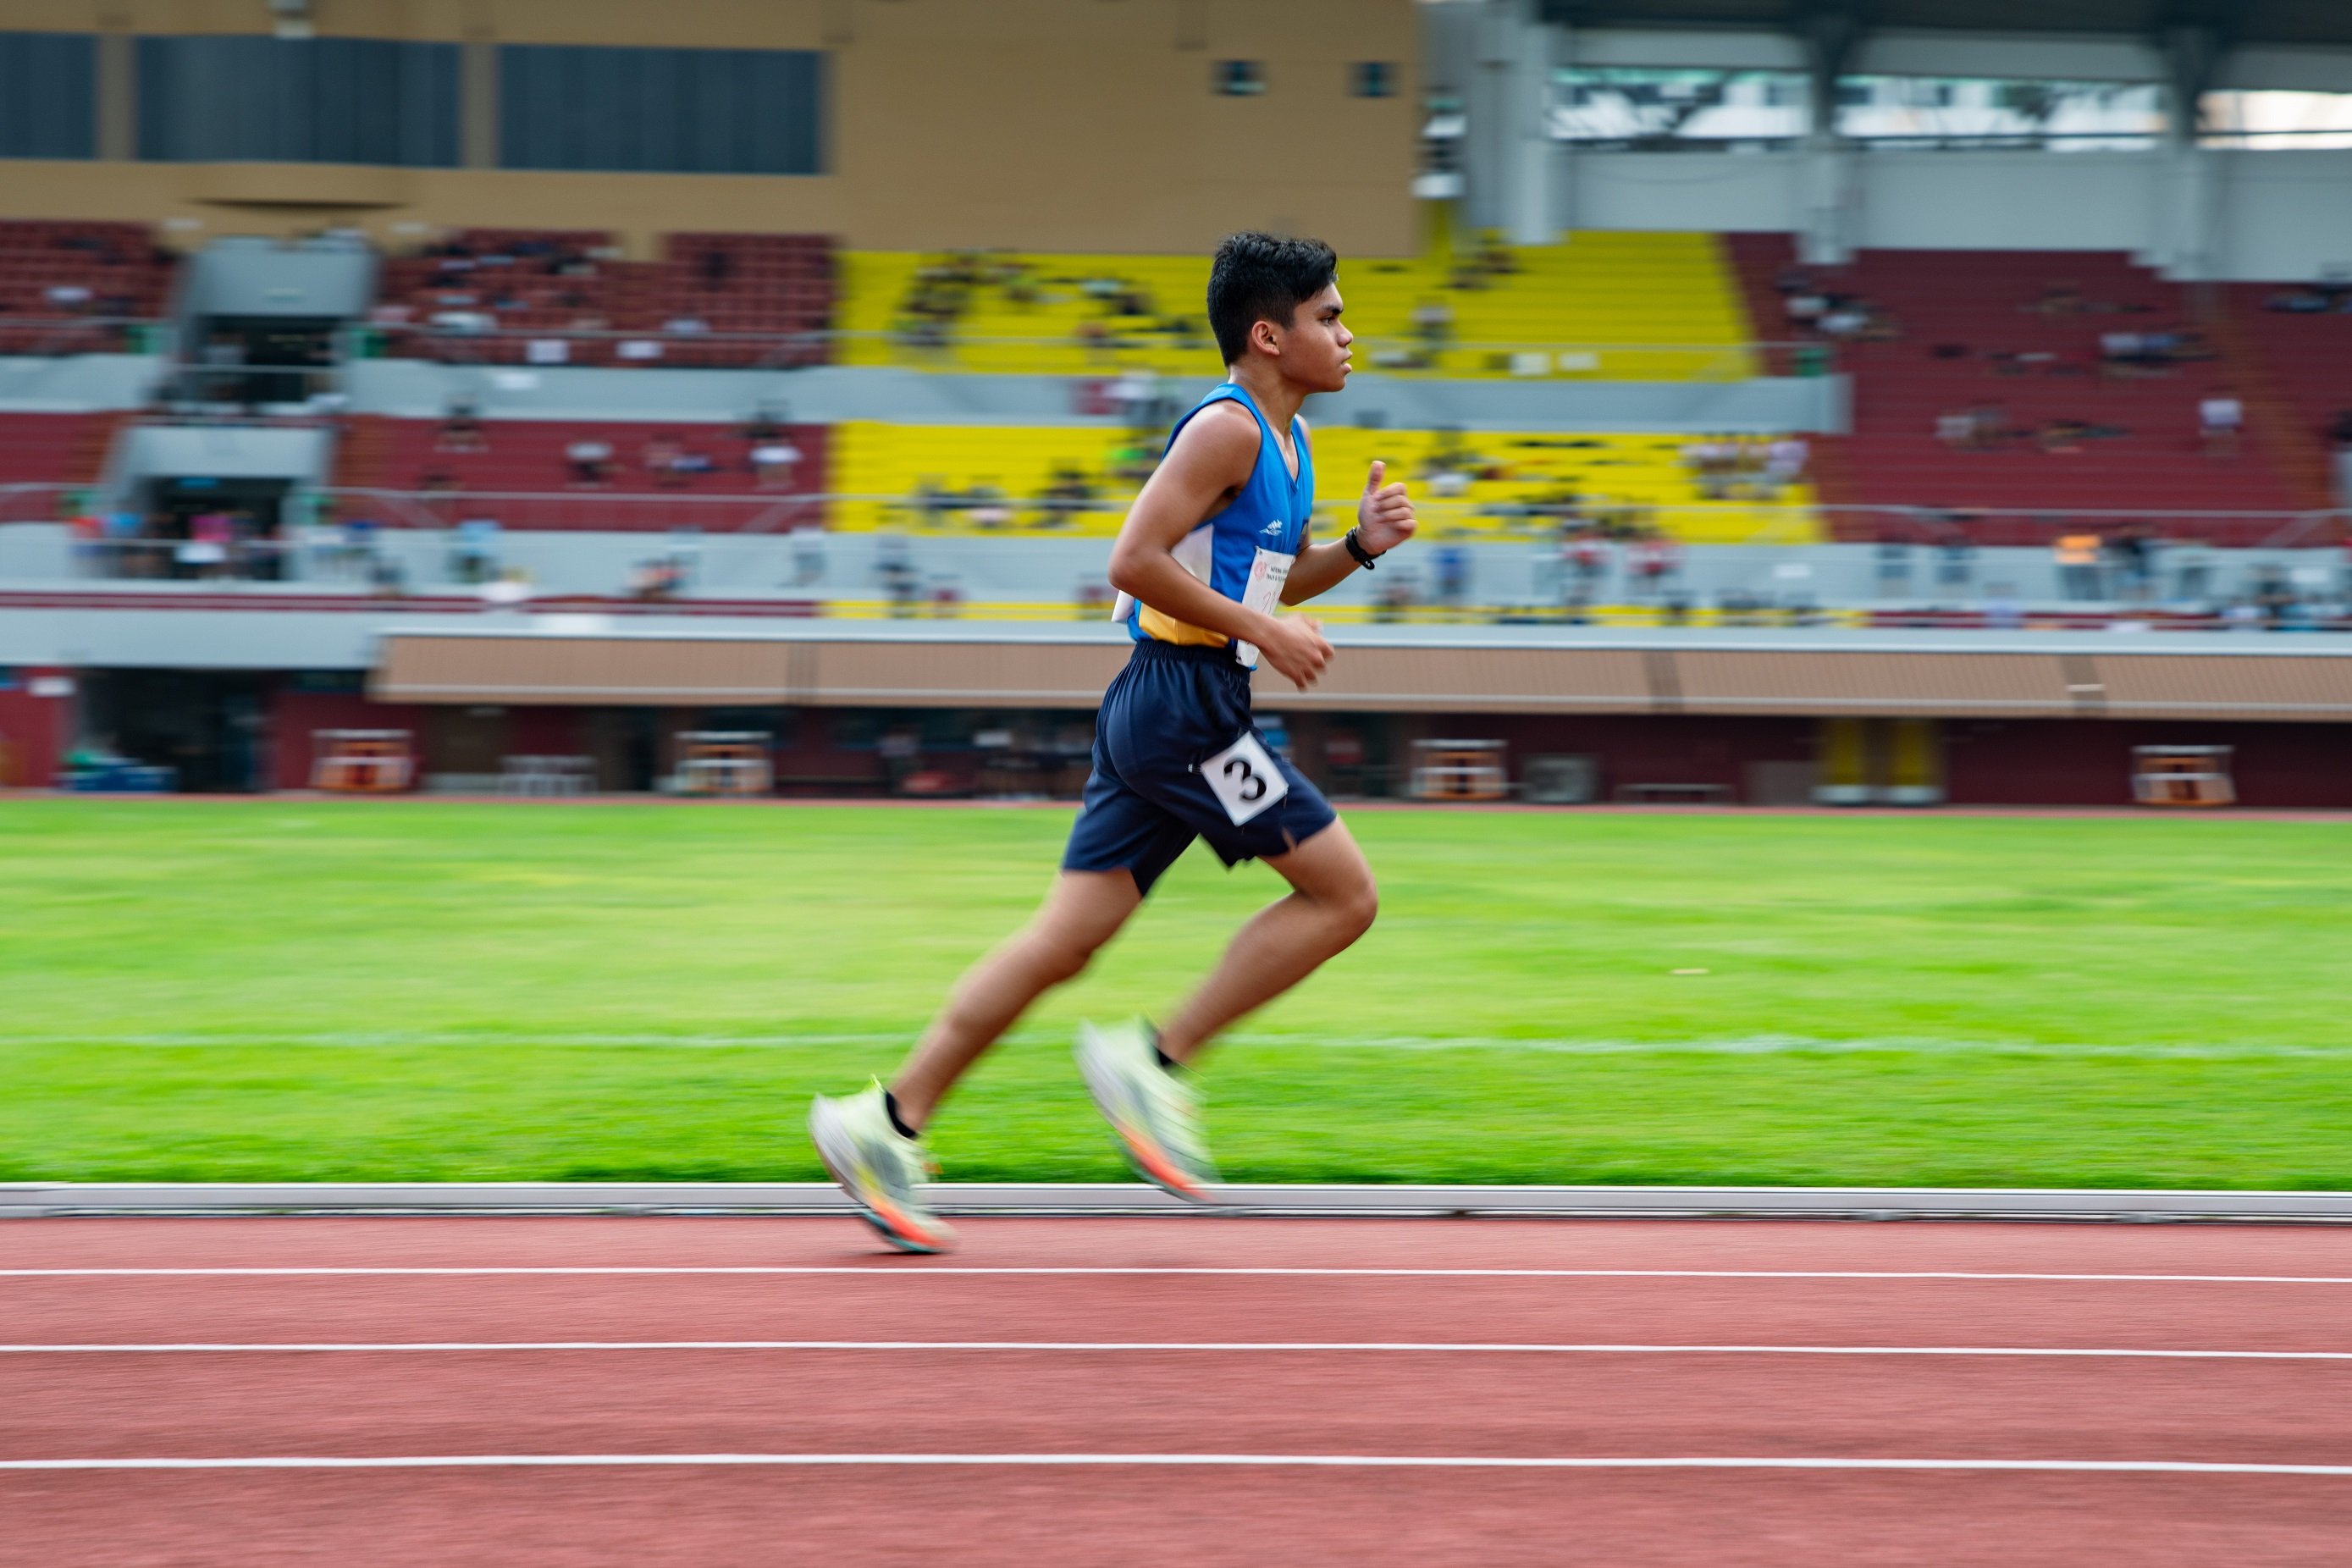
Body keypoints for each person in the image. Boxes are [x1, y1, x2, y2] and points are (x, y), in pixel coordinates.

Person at [808, 233, 1416, 1252]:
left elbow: (1256, 585)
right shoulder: (1226, 431)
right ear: (1269, 334)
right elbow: (1131, 561)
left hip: (1165, 703)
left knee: (1064, 941)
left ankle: (883, 1122)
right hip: (1186, 709)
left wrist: (1353, 552)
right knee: (1345, 895)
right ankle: (1157, 1061)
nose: (1349, 337)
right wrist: (1262, 632)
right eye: (1329, 318)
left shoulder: (1289, 441)